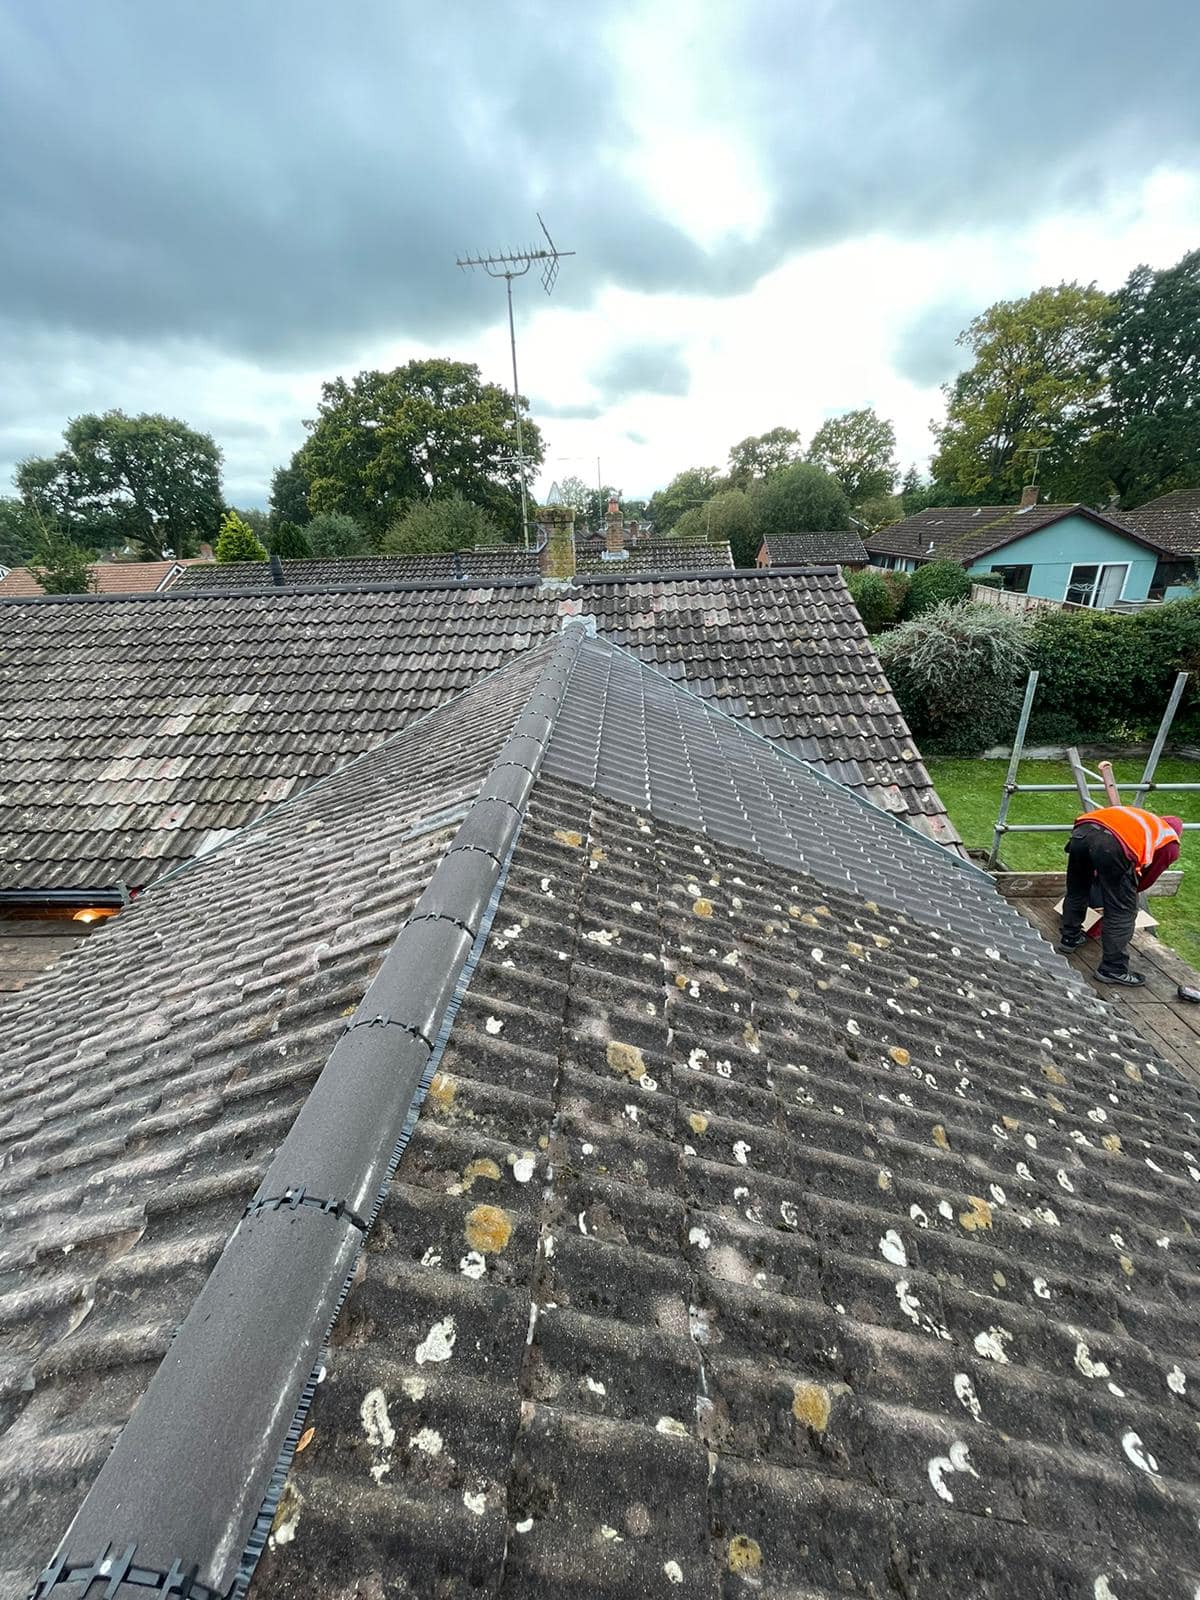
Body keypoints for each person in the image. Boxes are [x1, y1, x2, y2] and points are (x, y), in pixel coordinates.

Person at [1057, 807, 1182, 987]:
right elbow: (1146, 879)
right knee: (1122, 912)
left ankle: (1069, 938)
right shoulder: (1169, 842)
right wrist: (1124, 896)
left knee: (1078, 888)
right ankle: (1113, 968)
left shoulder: (1143, 821)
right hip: (1111, 843)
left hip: (1083, 830)